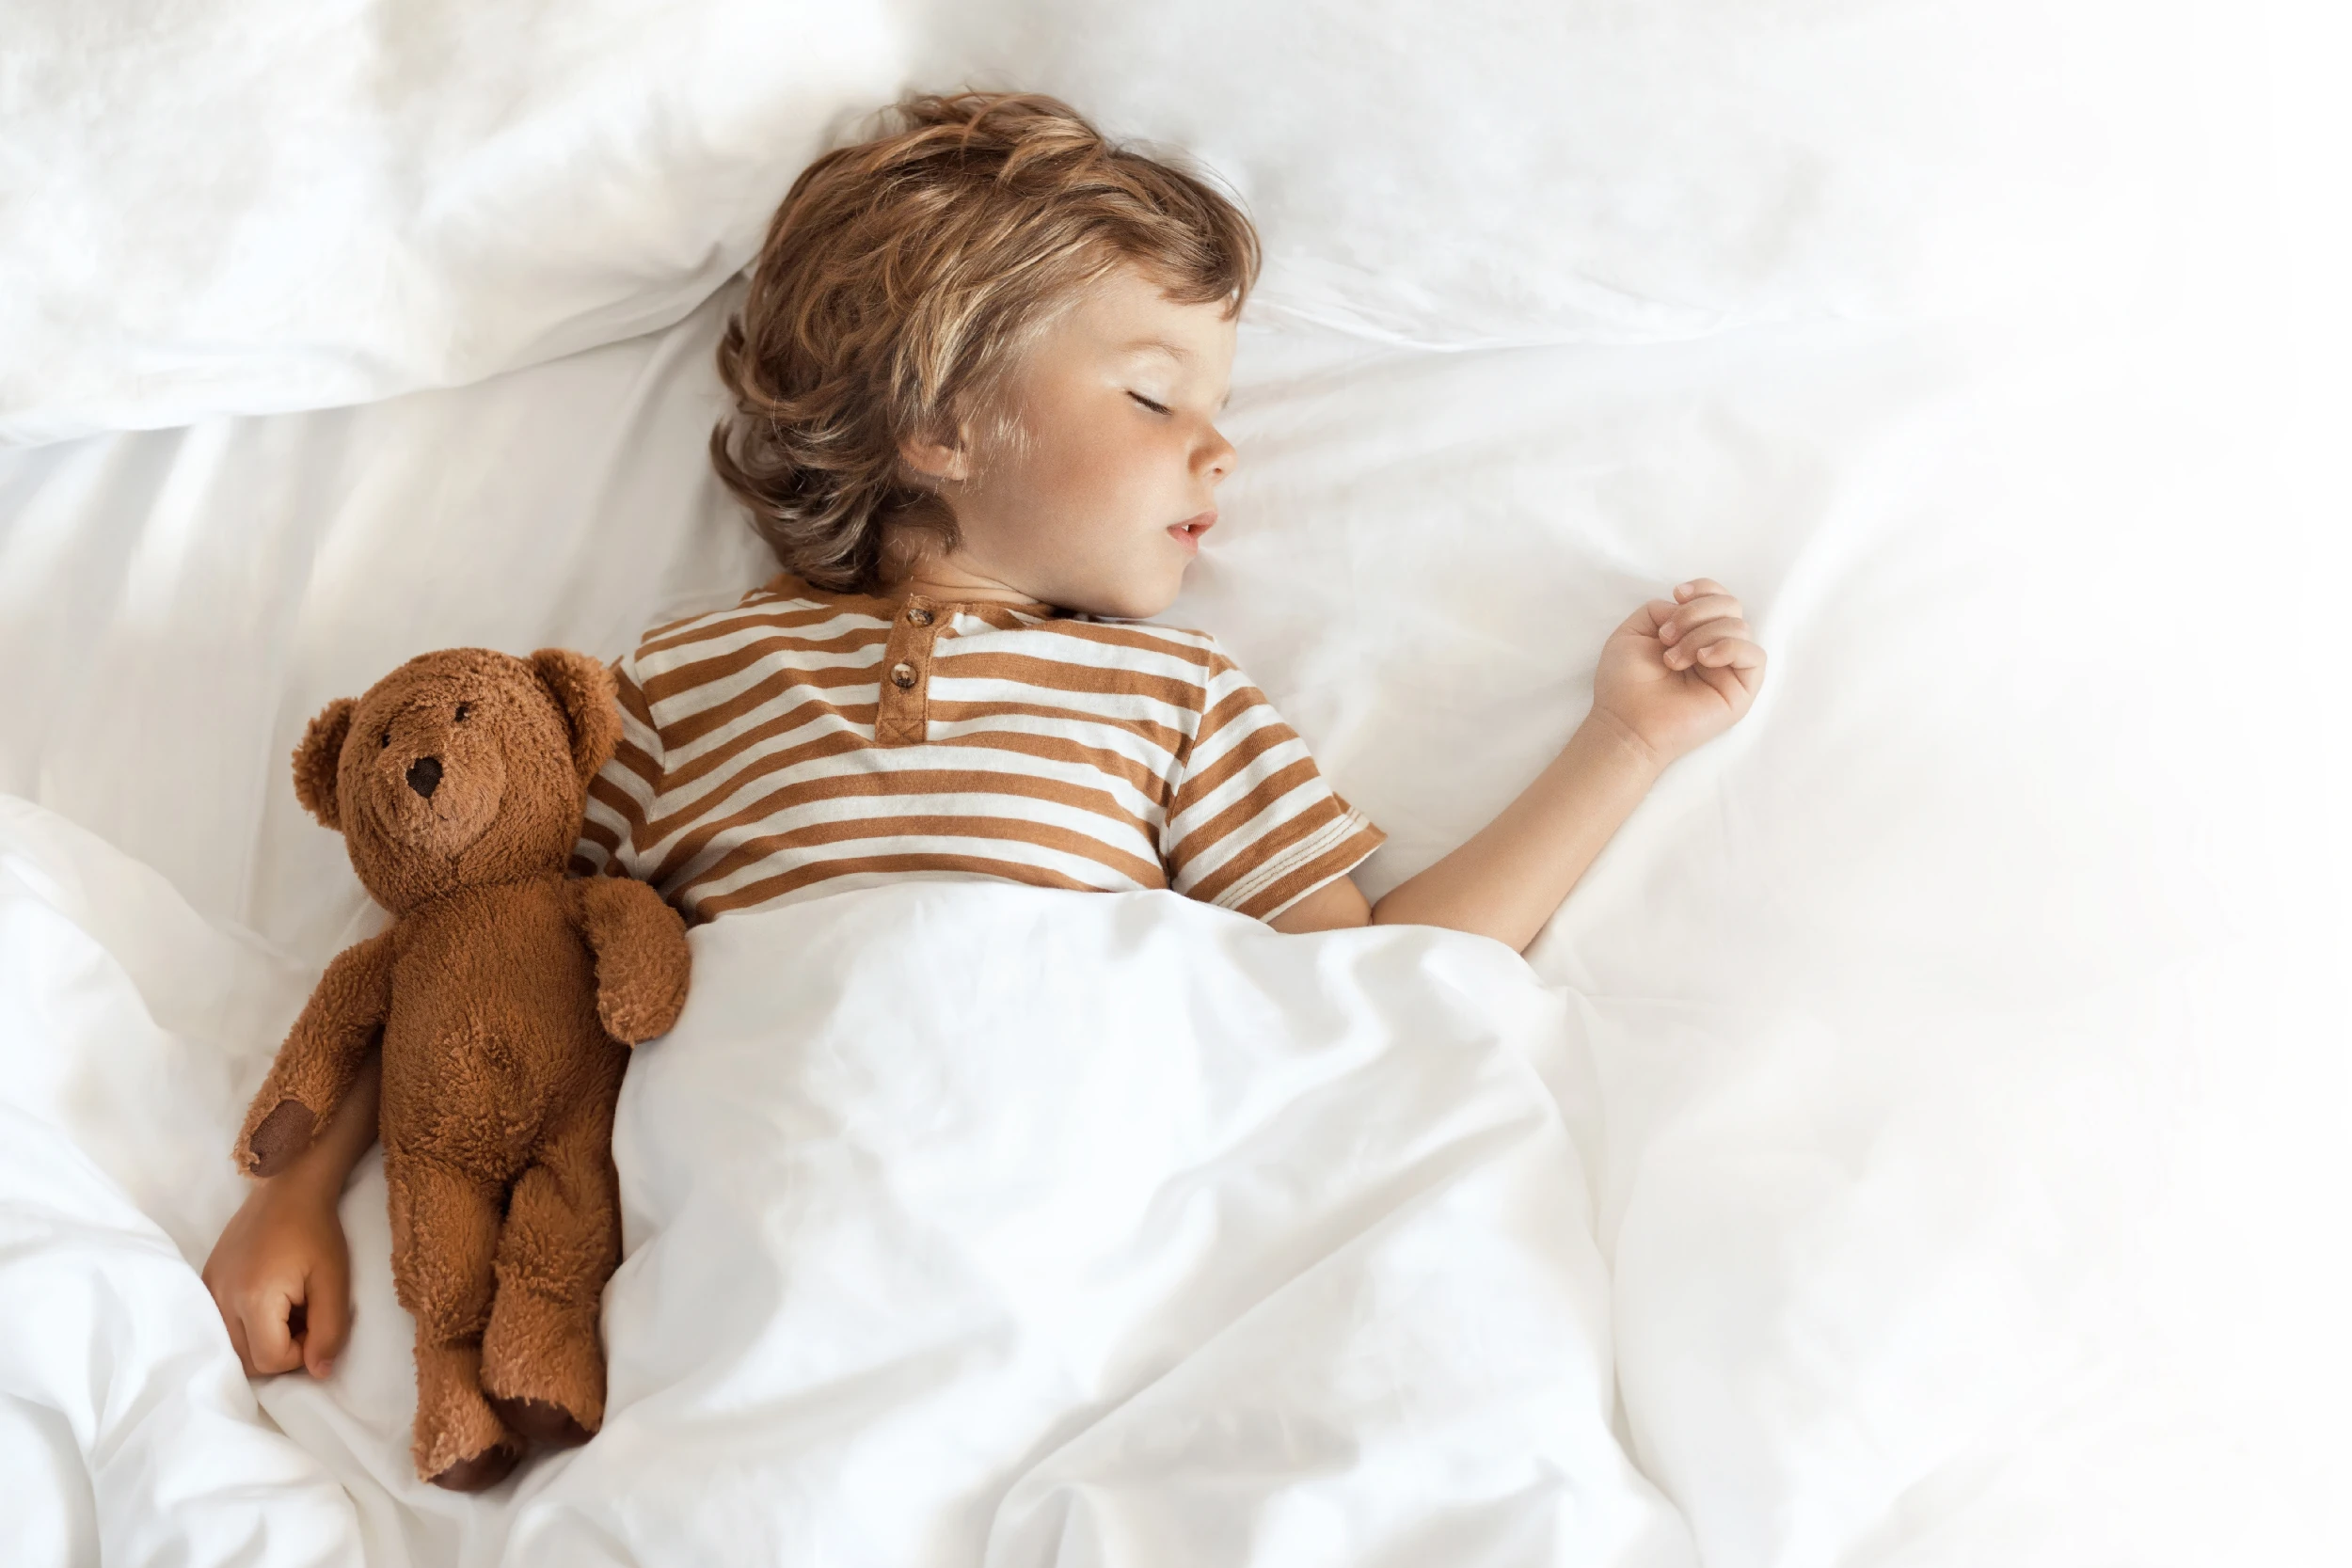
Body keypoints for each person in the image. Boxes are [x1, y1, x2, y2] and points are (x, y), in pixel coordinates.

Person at [205, 90, 1763, 1386]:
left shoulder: (1176, 698)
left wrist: (1623, 742)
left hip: (1076, 1256)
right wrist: (295, 1194)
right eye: (1156, 393)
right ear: (937, 422)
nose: (1220, 443)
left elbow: (1372, 983)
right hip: (779, 1252)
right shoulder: (681, 682)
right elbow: (470, 952)